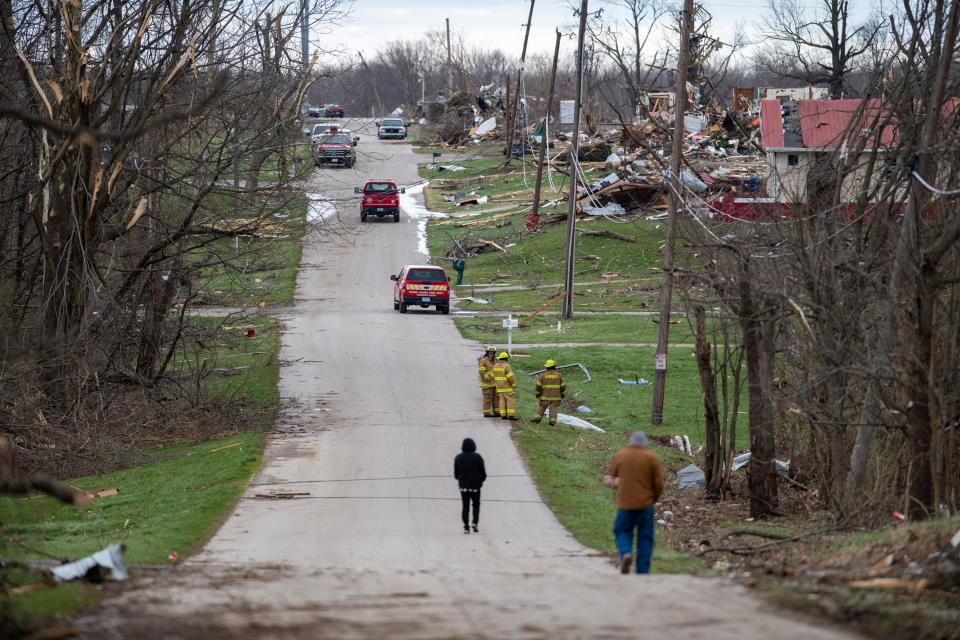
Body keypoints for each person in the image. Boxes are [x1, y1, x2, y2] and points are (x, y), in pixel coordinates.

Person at [603, 432, 664, 574]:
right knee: (645, 537)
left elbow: (613, 477)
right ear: (645, 443)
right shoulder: (651, 457)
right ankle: (643, 571)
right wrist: (653, 499)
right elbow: (659, 484)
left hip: (625, 504)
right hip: (645, 505)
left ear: (631, 442)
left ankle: (625, 553)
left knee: (622, 530)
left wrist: (616, 485)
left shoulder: (621, 455)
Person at [454, 437, 486, 533]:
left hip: (463, 487)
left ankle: (466, 527)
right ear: (473, 446)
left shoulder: (458, 458)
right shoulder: (478, 457)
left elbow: (456, 474)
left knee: (465, 506)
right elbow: (483, 473)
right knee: (476, 505)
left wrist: (461, 480)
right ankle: (474, 523)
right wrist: (480, 482)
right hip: (476, 486)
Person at [532, 360, 565, 426]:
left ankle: (536, 420)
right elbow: (563, 386)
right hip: (556, 397)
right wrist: (562, 394)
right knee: (553, 408)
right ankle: (552, 422)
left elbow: (538, 386)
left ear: (547, 367)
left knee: (541, 407)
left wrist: (538, 393)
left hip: (545, 396)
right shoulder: (559, 376)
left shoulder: (542, 375)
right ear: (554, 366)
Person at [491, 352, 517, 420]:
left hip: (499, 387)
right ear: (506, 359)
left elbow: (492, 376)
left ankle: (503, 415)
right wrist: (513, 385)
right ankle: (510, 415)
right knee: (510, 400)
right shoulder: (506, 366)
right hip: (507, 387)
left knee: (502, 401)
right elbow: (510, 377)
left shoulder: (495, 366)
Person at [478, 346, 498, 418]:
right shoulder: (483, 360)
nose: (491, 354)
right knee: (487, 399)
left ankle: (497, 412)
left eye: (493, 353)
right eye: (490, 353)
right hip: (487, 384)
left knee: (496, 398)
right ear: (487, 353)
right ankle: (487, 413)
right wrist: (486, 377)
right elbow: (481, 371)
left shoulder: (495, 360)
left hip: (495, 384)